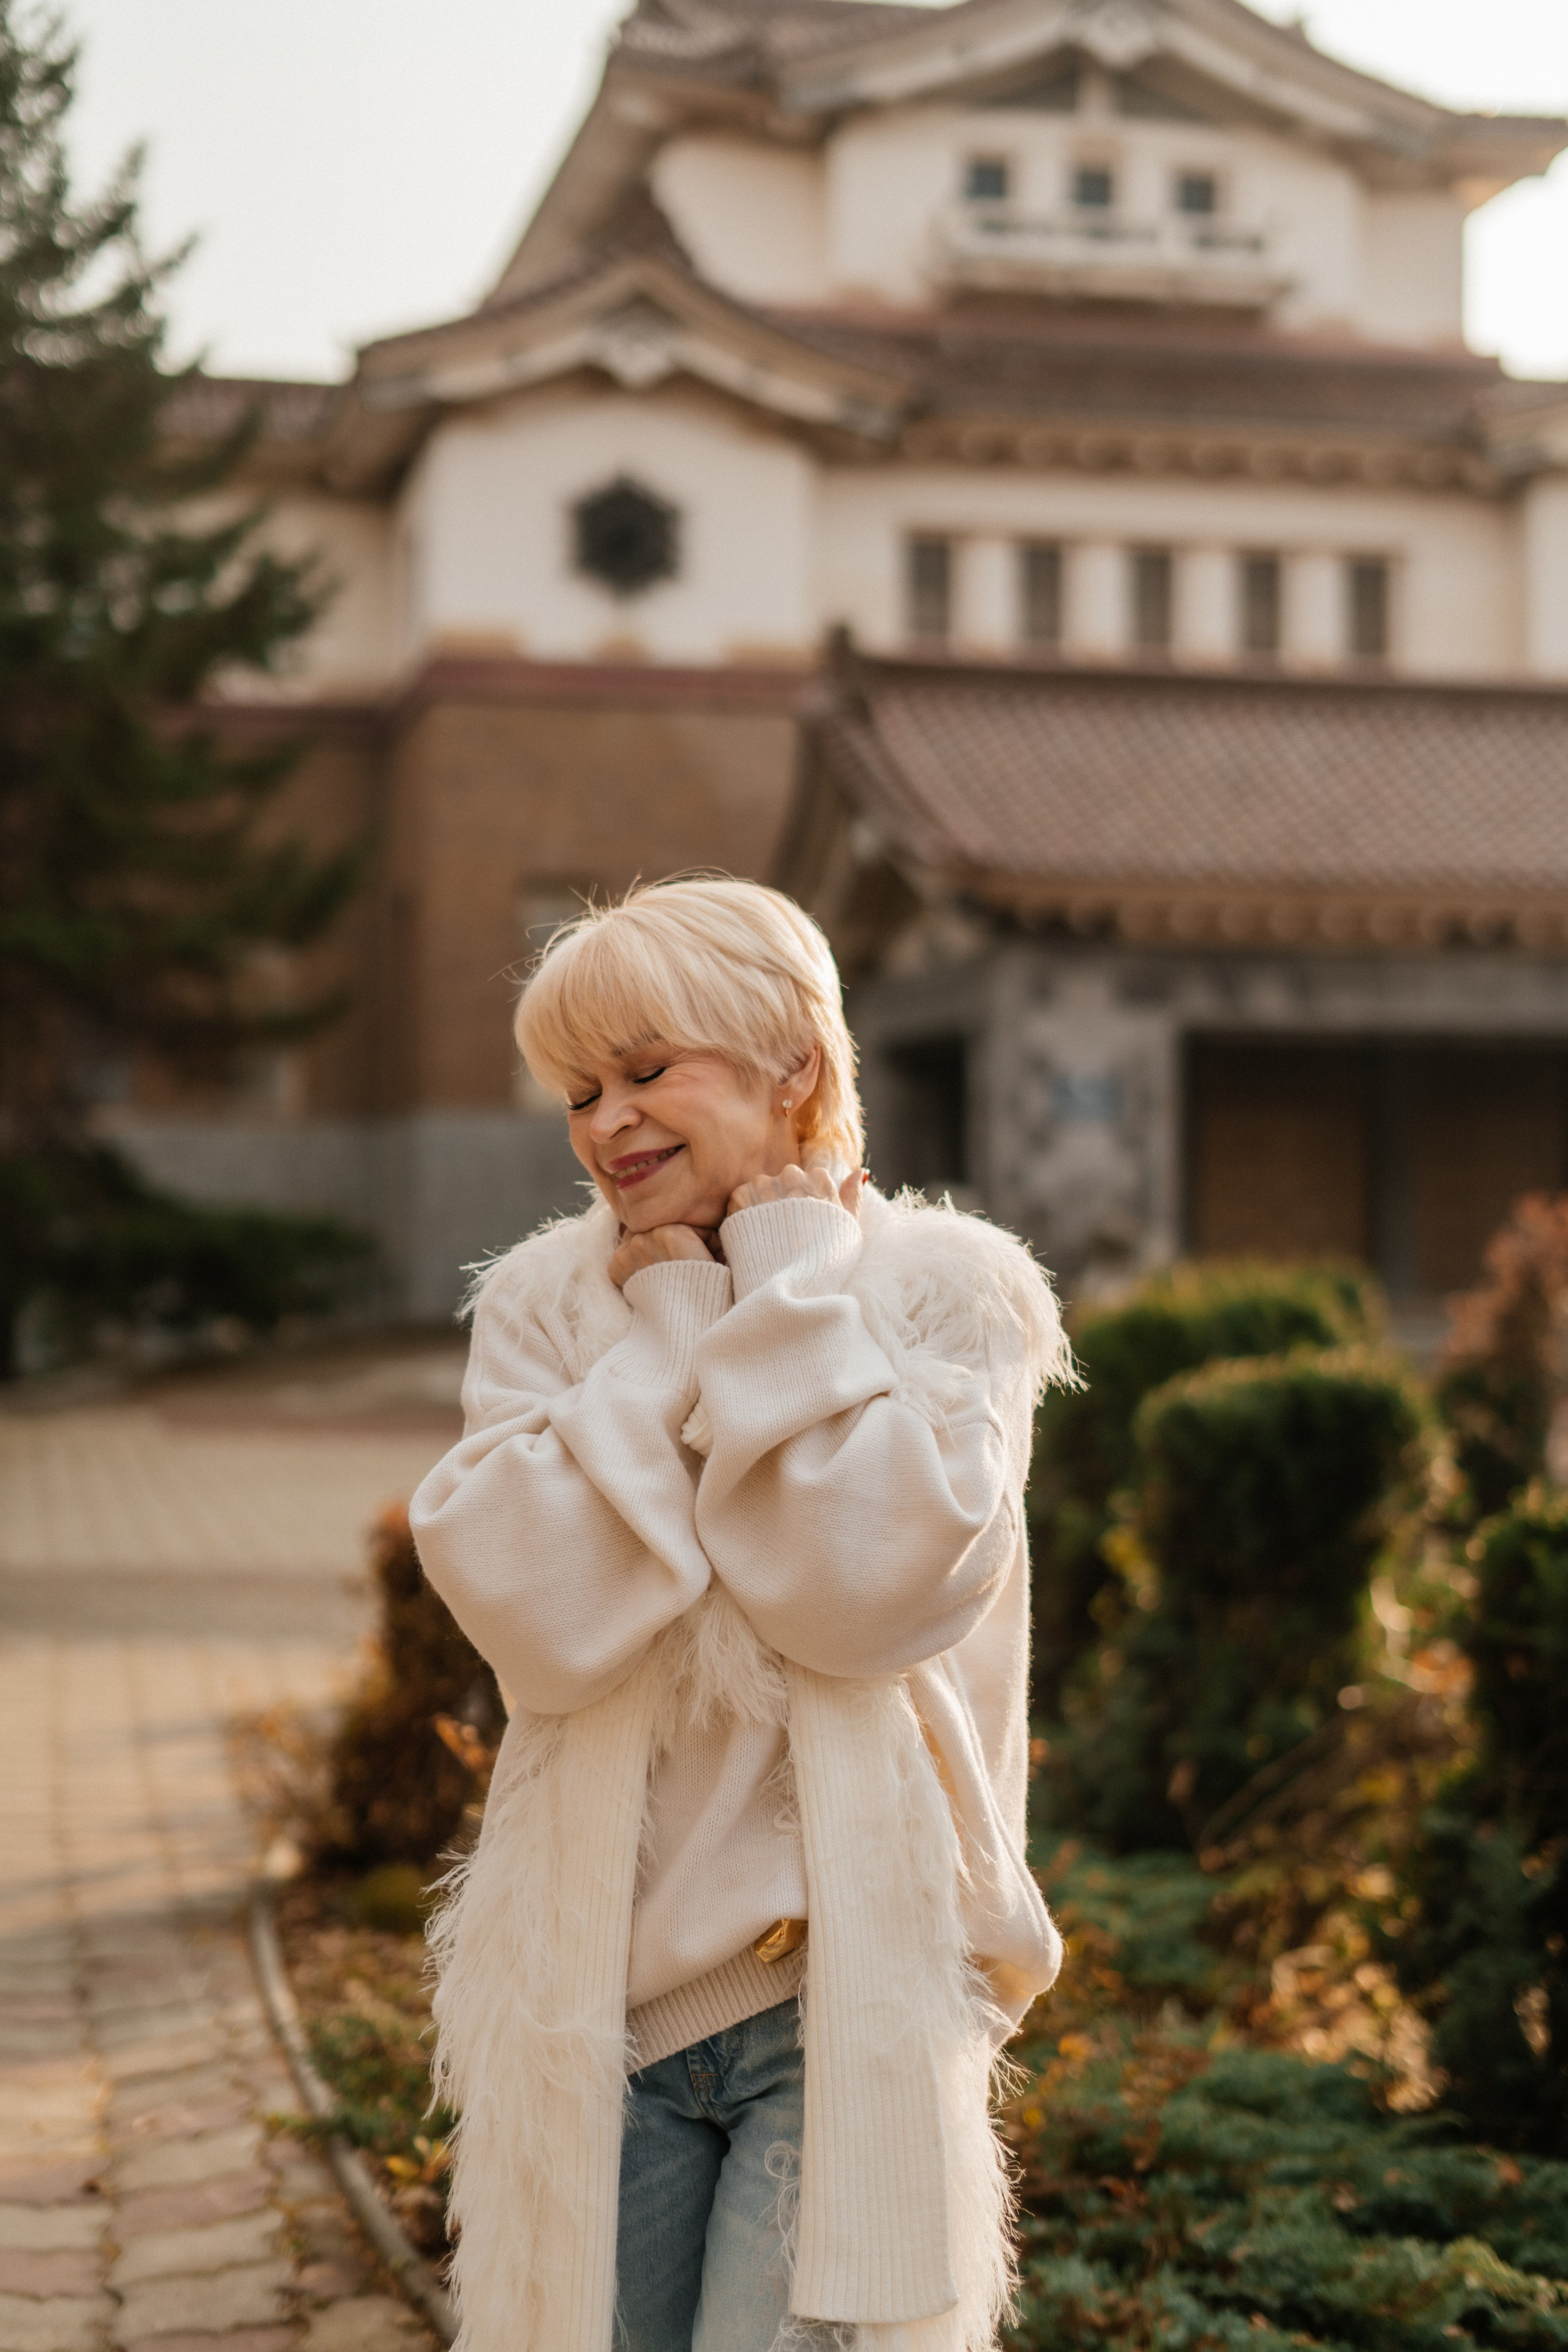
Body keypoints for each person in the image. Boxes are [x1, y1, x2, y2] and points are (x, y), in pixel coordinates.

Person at [410, 877, 1069, 2352]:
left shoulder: (943, 1297)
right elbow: (532, 1609)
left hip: (834, 1998)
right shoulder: (549, 1305)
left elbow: (856, 1594)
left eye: (648, 1071)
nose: (605, 1122)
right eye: (579, 1090)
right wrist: (661, 1344)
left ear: (797, 1070)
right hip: (604, 2010)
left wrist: (777, 1297)